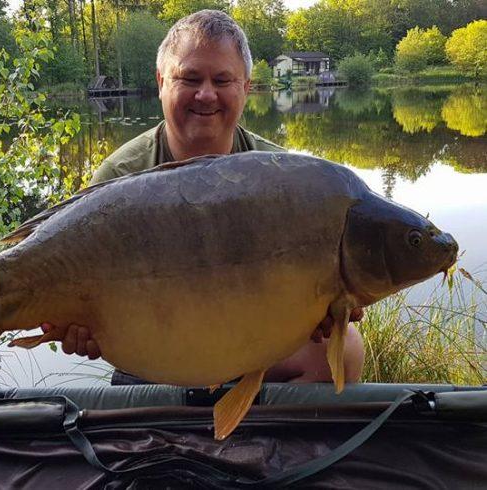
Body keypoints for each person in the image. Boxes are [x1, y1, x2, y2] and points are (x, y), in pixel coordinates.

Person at [43, 10, 365, 385]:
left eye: (223, 79)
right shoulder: (118, 178)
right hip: (158, 347)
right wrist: (77, 326)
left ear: (246, 87)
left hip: (250, 339)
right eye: (190, 78)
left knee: (345, 349)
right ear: (162, 82)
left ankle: (251, 438)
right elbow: (85, 303)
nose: (206, 93)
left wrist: (325, 309)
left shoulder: (282, 181)